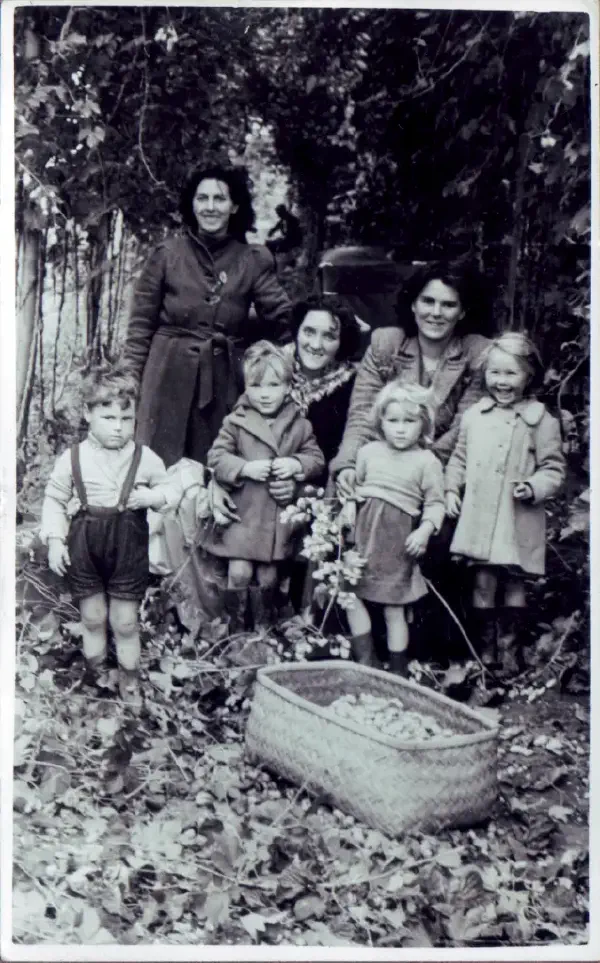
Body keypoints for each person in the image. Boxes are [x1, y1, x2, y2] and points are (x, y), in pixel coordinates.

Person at [123, 165, 292, 469]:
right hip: (164, 378)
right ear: (192, 204)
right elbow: (140, 327)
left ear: (234, 206)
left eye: (219, 198)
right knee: (156, 469)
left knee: (214, 470)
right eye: (202, 198)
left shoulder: (252, 260)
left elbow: (282, 316)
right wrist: (128, 384)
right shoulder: (166, 254)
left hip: (221, 381)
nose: (210, 207)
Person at [40, 365, 170, 706]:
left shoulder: (144, 458)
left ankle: (129, 681)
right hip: (84, 545)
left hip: (128, 547)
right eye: (108, 417)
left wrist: (154, 498)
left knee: (125, 622)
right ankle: (96, 680)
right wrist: (55, 540)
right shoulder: (73, 459)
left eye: (126, 419)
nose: (118, 427)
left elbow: (170, 488)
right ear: (88, 413)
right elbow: (54, 500)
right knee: (93, 617)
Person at [445, 332, 566, 675]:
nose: (502, 381)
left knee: (514, 583)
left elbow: (554, 469)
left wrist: (533, 486)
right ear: (485, 374)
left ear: (529, 375)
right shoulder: (474, 417)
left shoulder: (541, 421)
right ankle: (485, 650)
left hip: (517, 519)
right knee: (483, 582)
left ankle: (508, 649)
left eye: (511, 373)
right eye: (495, 372)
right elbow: (458, 458)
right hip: (481, 520)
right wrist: (452, 489)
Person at [331, 259, 491, 493]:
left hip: (441, 470)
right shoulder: (385, 343)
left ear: (463, 311)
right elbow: (363, 415)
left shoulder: (477, 352)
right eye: (428, 301)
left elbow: (462, 430)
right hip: (380, 460)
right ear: (413, 304)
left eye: (448, 305)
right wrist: (348, 464)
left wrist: (411, 471)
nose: (436, 313)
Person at [199, 341, 325, 633]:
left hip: (274, 518)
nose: (265, 394)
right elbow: (216, 457)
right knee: (239, 570)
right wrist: (243, 468)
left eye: (273, 385)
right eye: (256, 386)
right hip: (244, 514)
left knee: (269, 575)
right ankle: (236, 634)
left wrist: (296, 465)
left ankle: (264, 632)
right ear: (246, 387)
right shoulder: (236, 421)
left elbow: (316, 459)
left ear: (287, 386)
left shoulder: (299, 424)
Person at [344, 383, 445, 675]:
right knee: (350, 595)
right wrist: (350, 506)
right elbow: (357, 491)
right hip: (363, 538)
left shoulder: (427, 462)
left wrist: (424, 531)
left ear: (423, 423)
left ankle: (397, 669)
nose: (400, 429)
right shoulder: (368, 452)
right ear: (381, 421)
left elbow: (435, 504)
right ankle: (366, 659)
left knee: (393, 608)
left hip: (396, 543)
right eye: (393, 420)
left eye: (409, 421)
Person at [287, 295, 364, 476]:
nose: (315, 345)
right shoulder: (271, 369)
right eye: (309, 332)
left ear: (342, 343)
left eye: (329, 336)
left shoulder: (352, 388)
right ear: (297, 332)